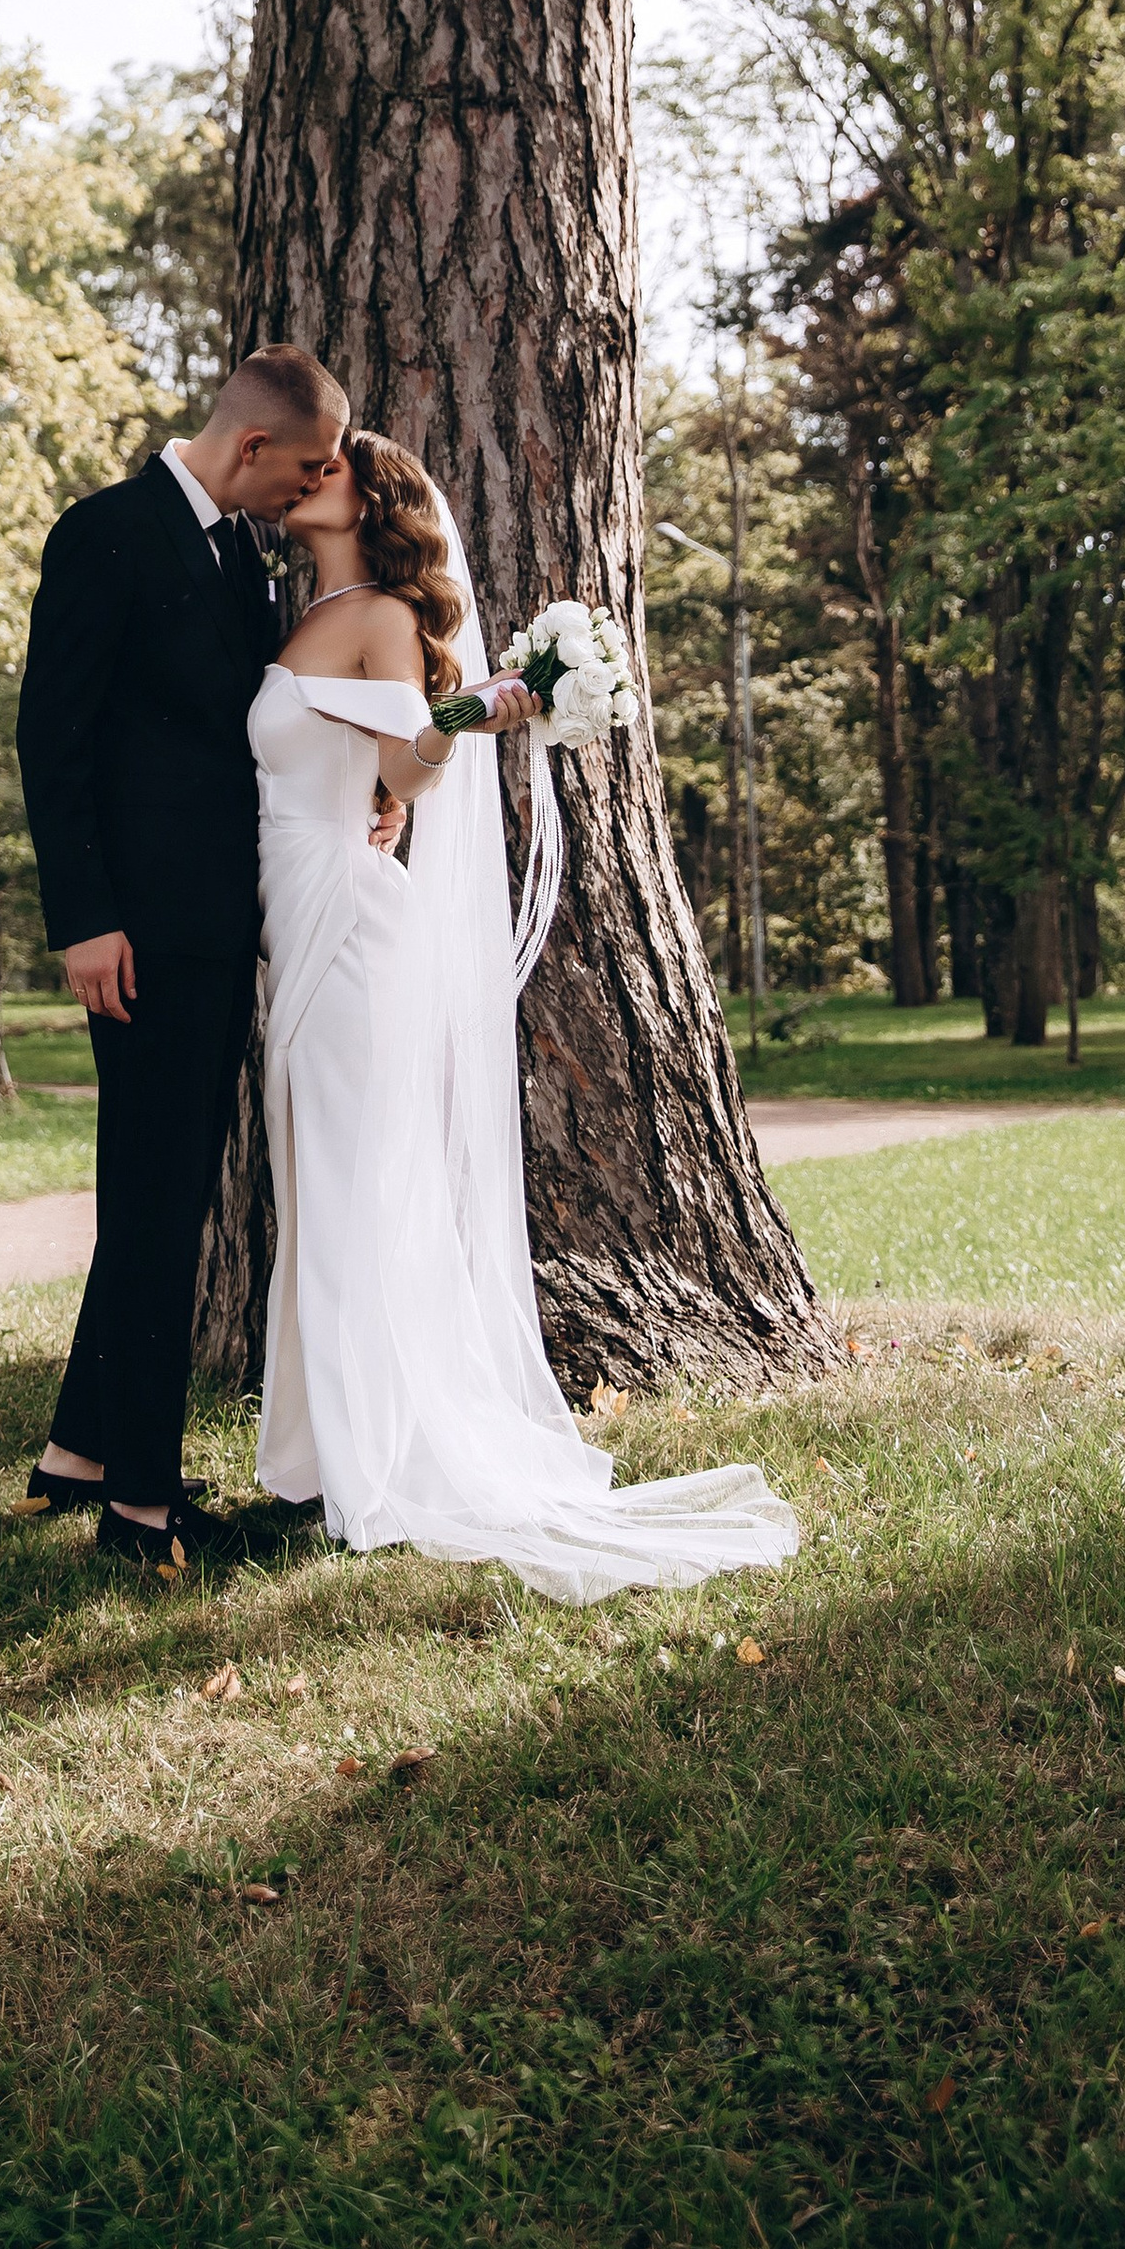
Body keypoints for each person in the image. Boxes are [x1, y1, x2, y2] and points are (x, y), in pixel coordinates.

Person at [253, 431, 800, 1603]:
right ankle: (321, 1452)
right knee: (314, 1182)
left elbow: (408, 771)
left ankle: (368, 1462)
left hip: (348, 927)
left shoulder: (380, 616)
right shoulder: (312, 608)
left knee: (351, 1183)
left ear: (371, 499)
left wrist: (466, 714)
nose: (307, 477)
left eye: (330, 468)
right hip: (299, 911)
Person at [14, 342, 351, 1569]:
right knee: (157, 1206)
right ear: (252, 444)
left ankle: (79, 1454)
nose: (308, 488)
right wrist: (82, 918)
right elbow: (50, 737)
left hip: (217, 931)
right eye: (304, 467)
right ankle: (143, 1512)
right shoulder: (104, 532)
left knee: (163, 1193)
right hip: (135, 939)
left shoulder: (239, 555)